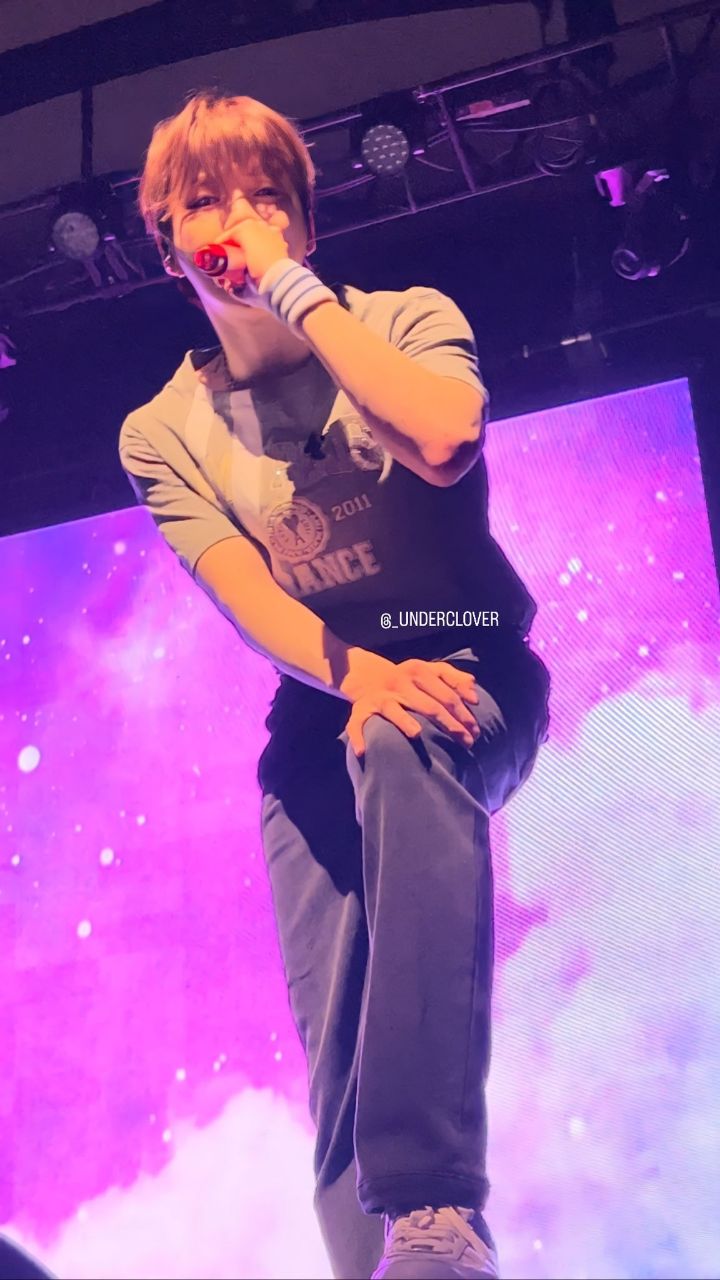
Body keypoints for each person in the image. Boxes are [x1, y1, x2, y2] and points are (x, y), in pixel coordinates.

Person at [119, 89, 551, 1280]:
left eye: (269, 199)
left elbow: (443, 438)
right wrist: (360, 675)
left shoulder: (404, 318)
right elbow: (247, 598)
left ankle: (435, 1207)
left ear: (306, 225)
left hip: (465, 651)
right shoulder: (162, 430)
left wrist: (292, 292)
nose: (241, 218)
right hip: (319, 699)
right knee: (338, 1014)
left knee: (407, 740)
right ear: (170, 243)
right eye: (208, 202)